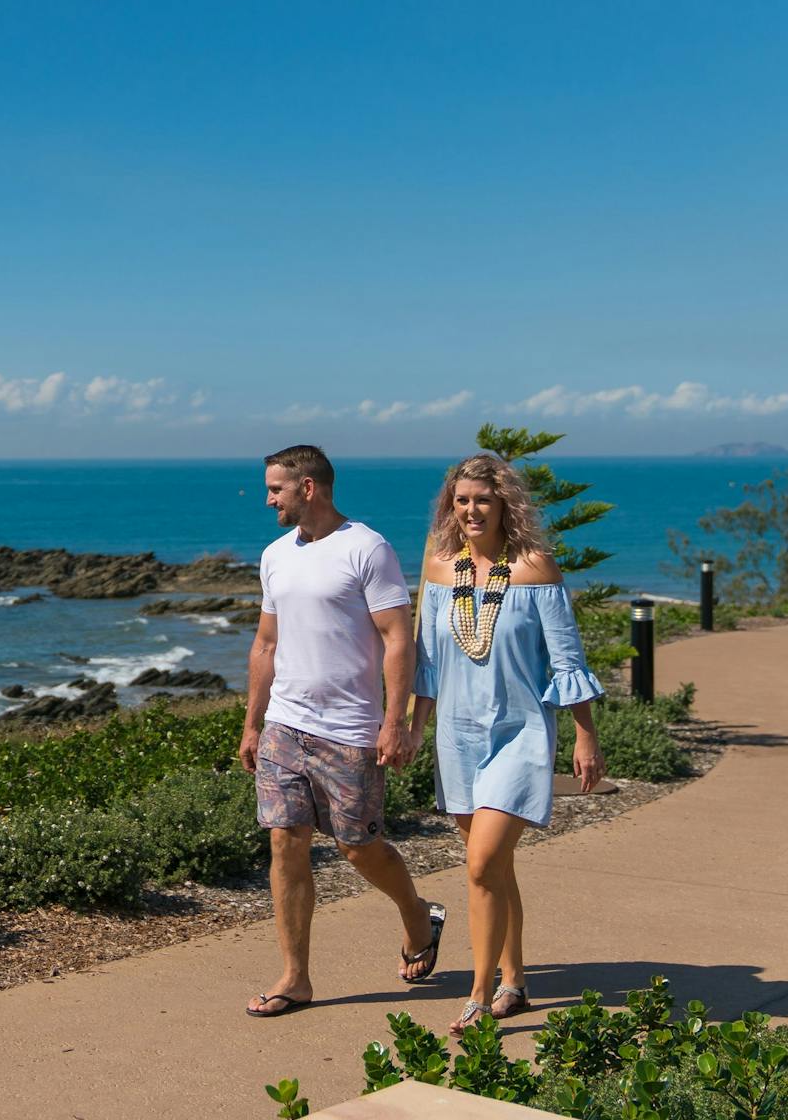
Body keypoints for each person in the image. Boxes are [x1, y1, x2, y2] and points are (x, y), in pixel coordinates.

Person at [239, 444, 445, 1018]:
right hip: (286, 723)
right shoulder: (275, 555)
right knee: (285, 842)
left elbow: (398, 638)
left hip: (350, 728)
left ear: (309, 488)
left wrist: (395, 722)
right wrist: (253, 723)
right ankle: (295, 978)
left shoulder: (367, 548)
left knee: (357, 848)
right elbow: (266, 643)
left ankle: (415, 914)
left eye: (276, 488)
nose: (268, 498)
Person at [408, 453, 606, 1037]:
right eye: (462, 500)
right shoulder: (440, 568)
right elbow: (426, 660)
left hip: (521, 732)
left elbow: (568, 659)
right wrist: (416, 726)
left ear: (504, 505)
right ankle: (515, 979)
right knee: (494, 869)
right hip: (458, 735)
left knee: (480, 864)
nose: (471, 510)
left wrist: (586, 735)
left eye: (483, 500)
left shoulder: (535, 567)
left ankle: (478, 991)